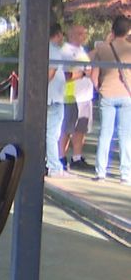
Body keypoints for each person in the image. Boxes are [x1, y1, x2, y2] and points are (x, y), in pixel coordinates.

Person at [90, 15, 131, 183]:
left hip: (107, 93)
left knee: (105, 133)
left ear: (112, 31)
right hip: (126, 95)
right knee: (125, 135)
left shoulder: (103, 48)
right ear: (128, 31)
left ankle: (100, 172)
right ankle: (126, 174)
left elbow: (88, 60)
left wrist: (99, 89)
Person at [59, 23, 94, 171]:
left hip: (85, 96)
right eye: (80, 33)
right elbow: (65, 74)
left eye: (84, 33)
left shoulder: (82, 51)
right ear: (71, 34)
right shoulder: (65, 51)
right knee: (67, 128)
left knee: (81, 128)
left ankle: (77, 158)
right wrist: (83, 73)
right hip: (71, 96)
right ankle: (61, 157)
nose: (83, 36)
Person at [46, 23, 70, 177]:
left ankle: (50, 163)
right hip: (54, 98)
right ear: (58, 34)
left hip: (49, 97)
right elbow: (50, 73)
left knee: (50, 132)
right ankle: (54, 165)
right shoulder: (54, 51)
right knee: (52, 133)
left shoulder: (41, 49)